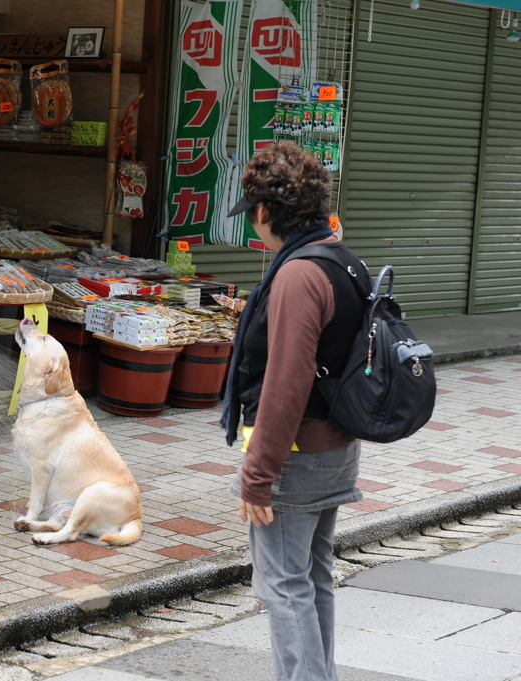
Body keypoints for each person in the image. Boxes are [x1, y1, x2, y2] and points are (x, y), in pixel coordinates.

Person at [220, 142, 367, 681]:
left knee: (283, 583)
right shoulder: (340, 259)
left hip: (296, 455)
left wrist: (257, 476)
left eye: (252, 218)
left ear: (263, 213)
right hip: (336, 446)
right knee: (312, 576)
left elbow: (286, 384)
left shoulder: (297, 275)